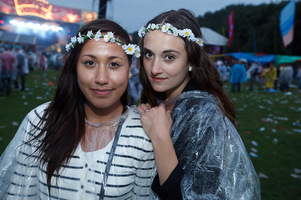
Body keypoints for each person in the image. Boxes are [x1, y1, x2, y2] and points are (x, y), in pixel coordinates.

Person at [0, 18, 156, 199]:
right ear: (75, 67)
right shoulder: (40, 121)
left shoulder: (143, 133)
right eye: (90, 63)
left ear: (129, 69)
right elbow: (18, 194)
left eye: (114, 64)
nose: (101, 78)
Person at [137, 9, 260, 199]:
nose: (154, 69)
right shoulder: (163, 101)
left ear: (191, 60)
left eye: (169, 57)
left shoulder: (204, 115)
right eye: (148, 55)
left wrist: (160, 137)